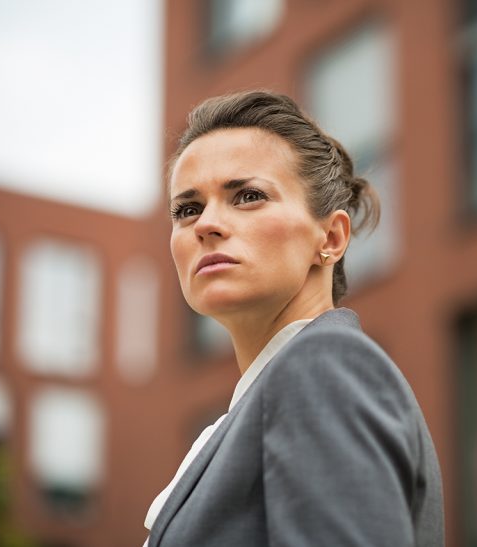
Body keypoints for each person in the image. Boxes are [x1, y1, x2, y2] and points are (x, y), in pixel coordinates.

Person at [142, 90, 444, 546]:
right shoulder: (260, 405)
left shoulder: (324, 366)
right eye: (188, 209)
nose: (206, 224)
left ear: (332, 236)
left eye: (247, 196)